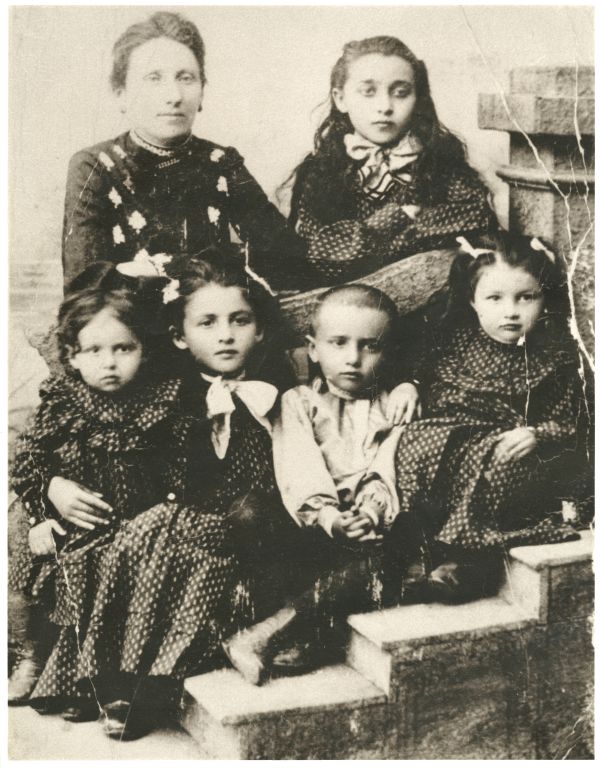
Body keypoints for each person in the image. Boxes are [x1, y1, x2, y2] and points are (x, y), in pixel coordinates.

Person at [75, 248, 293, 740]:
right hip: (191, 519)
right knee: (152, 531)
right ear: (178, 334)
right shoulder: (170, 393)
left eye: (240, 321)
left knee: (197, 548)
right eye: (208, 323)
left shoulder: (277, 386)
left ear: (259, 329)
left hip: (254, 530)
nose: (225, 334)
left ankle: (151, 688)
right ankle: (114, 679)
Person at [222, 284, 421, 686]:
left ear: (388, 352)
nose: (353, 358)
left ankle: (270, 635)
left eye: (370, 346)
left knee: (388, 559)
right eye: (338, 343)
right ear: (313, 349)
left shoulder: (395, 404)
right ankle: (298, 631)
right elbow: (298, 467)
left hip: (370, 527)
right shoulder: (299, 402)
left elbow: (389, 464)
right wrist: (329, 517)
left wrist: (370, 511)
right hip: (315, 526)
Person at [8, 264, 181, 722]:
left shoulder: (161, 401)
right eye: (96, 350)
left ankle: (89, 682)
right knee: (27, 540)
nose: (110, 362)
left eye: (124, 348)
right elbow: (27, 461)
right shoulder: (63, 401)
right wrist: (47, 501)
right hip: (69, 515)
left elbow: (181, 472)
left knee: (108, 576)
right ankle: (33, 655)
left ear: (144, 350)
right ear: (73, 355)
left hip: (129, 522)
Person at [393, 231, 588, 603]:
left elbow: (571, 416)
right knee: (417, 443)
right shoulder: (459, 339)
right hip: (456, 433)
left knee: (501, 464)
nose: (510, 311)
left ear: (544, 299)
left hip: (513, 443)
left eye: (525, 297)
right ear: (473, 301)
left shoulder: (553, 355)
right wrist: (409, 384)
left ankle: (468, 562)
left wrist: (538, 434)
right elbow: (421, 365)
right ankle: (422, 548)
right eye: (495, 298)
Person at [62, 11, 307, 291]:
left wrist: (160, 268)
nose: (174, 96)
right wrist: (214, 267)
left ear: (202, 91)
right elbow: (86, 285)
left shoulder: (221, 164)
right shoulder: (95, 166)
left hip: (211, 327)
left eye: (186, 78)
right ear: (121, 94)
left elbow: (290, 258)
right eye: (154, 78)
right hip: (128, 327)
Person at [287, 36, 495, 286]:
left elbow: (477, 219)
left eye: (400, 93)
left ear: (417, 99)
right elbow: (321, 255)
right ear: (340, 98)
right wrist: (400, 217)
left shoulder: (440, 163)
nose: (385, 106)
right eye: (368, 92)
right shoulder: (320, 170)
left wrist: (369, 241)